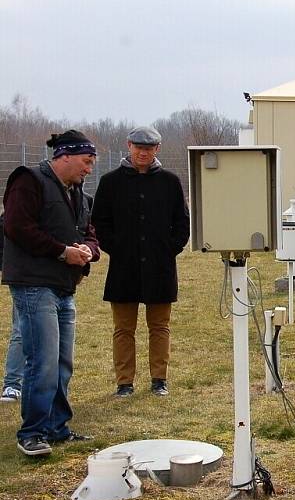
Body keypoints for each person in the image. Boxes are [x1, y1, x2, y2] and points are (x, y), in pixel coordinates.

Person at [2, 130, 100, 456]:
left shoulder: (78, 194)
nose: (89, 169)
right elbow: (17, 227)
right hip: (33, 285)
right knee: (41, 361)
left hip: (63, 287)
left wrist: (87, 250)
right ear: (65, 156)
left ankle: (57, 427)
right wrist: (62, 252)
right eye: (86, 162)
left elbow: (90, 233)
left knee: (61, 362)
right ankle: (32, 432)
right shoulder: (28, 181)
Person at [91, 126, 190, 398]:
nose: (143, 152)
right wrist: (117, 248)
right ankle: (124, 382)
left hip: (160, 268)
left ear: (157, 149)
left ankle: (159, 379)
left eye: (148, 148)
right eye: (138, 147)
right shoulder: (110, 182)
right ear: (129, 146)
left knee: (159, 327)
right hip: (124, 268)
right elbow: (99, 222)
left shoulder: (170, 182)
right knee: (123, 328)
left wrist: (168, 249)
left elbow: (182, 223)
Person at [0, 213, 24, 403]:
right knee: (21, 330)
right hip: (24, 275)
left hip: (54, 276)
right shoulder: (25, 193)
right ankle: (13, 384)